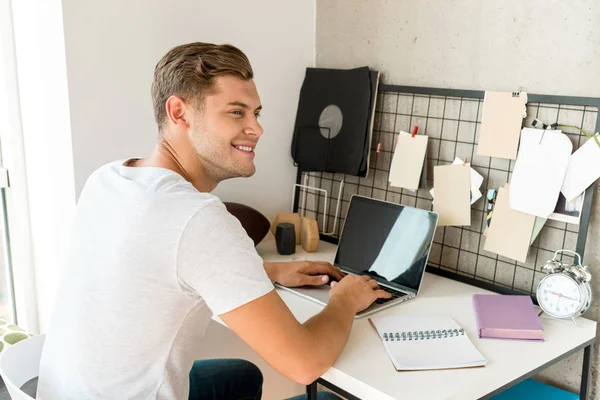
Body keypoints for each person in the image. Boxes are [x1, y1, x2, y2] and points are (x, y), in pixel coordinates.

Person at [37, 42, 391, 400]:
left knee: (239, 375)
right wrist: (344, 300)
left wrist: (265, 271)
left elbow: (146, 267)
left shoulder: (109, 179)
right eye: (237, 112)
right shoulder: (197, 218)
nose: (257, 128)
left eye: (257, 113)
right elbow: (304, 363)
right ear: (179, 112)